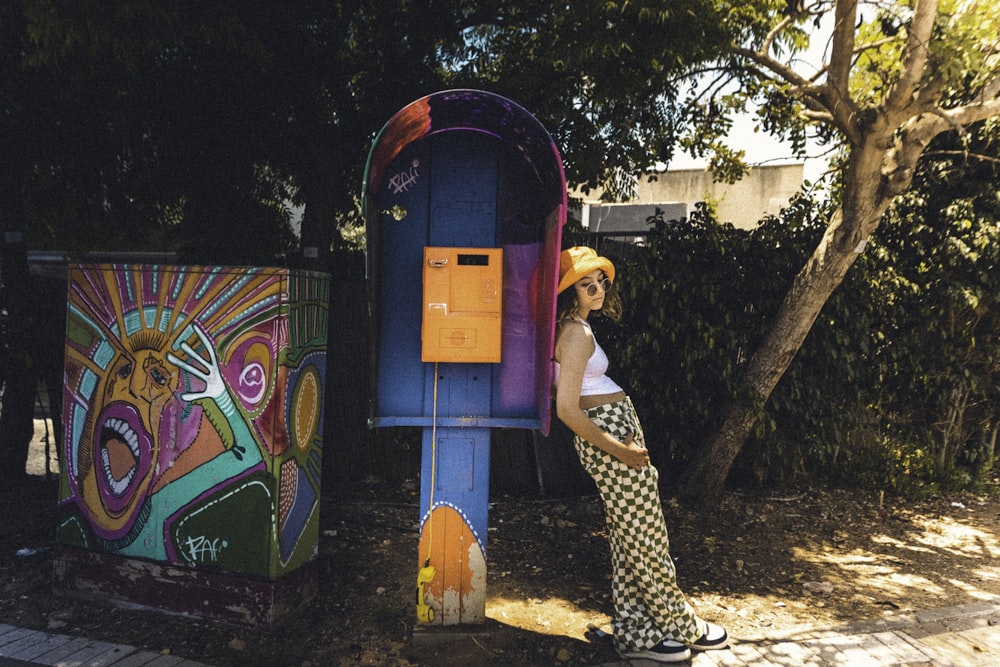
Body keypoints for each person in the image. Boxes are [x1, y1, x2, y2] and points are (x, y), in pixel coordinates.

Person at [552, 246, 729, 663]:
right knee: (647, 538)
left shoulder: (573, 328)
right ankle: (682, 625)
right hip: (612, 444)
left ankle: (636, 632)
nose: (597, 288)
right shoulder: (575, 333)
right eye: (585, 283)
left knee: (630, 539)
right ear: (568, 291)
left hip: (616, 441)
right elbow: (566, 409)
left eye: (600, 281)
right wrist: (621, 451)